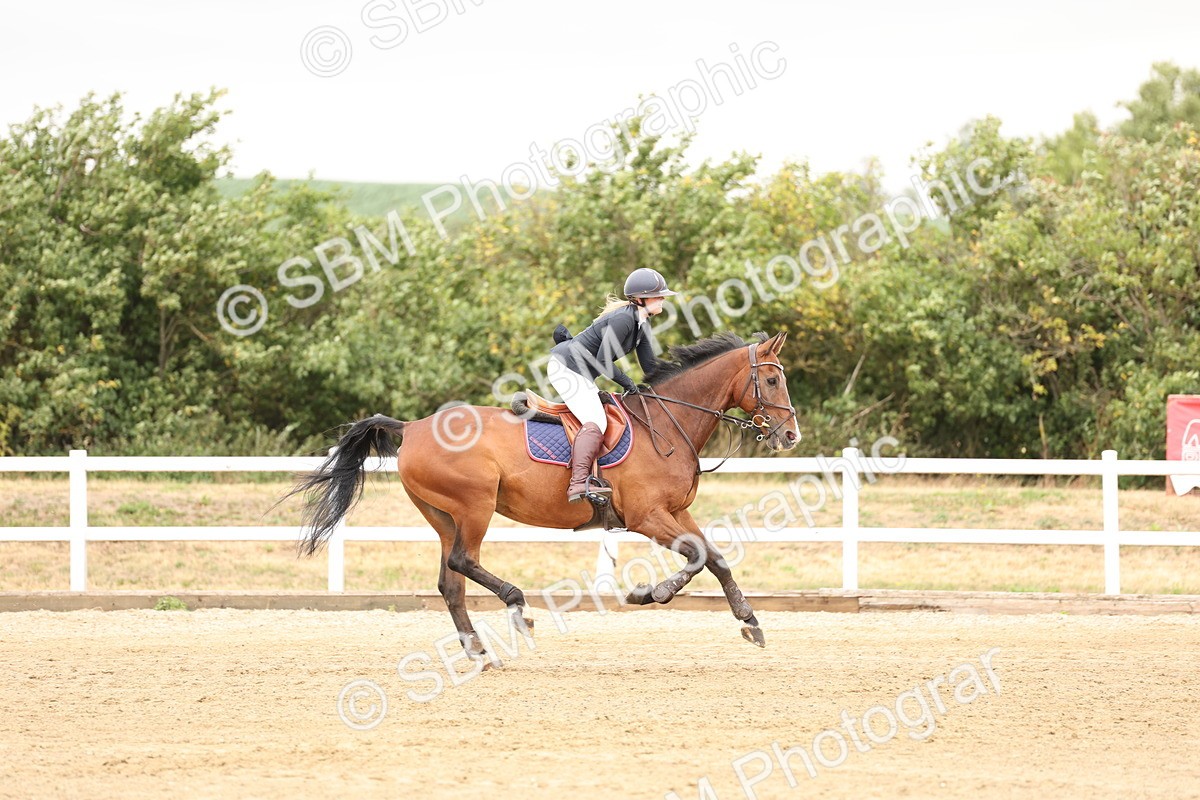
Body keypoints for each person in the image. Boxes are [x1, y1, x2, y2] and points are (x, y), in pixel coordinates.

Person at [548, 268, 675, 502]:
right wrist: (628, 383)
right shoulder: (624, 319)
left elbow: (650, 367)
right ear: (641, 298)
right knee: (597, 420)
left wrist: (680, 376)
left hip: (581, 372)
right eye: (659, 296)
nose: (663, 299)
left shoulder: (641, 324)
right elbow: (604, 360)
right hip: (566, 367)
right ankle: (577, 484)